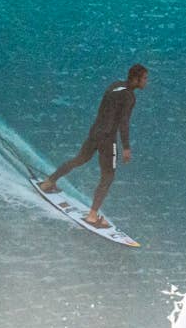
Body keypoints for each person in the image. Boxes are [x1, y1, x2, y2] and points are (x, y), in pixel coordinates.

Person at [38, 63, 148, 226]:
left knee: (79, 159)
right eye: (145, 78)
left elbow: (104, 108)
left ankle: (48, 182)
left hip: (95, 131)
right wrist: (126, 147)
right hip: (107, 138)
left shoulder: (115, 85)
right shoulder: (130, 97)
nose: (146, 81)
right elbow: (124, 123)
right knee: (108, 176)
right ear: (135, 79)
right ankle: (92, 216)